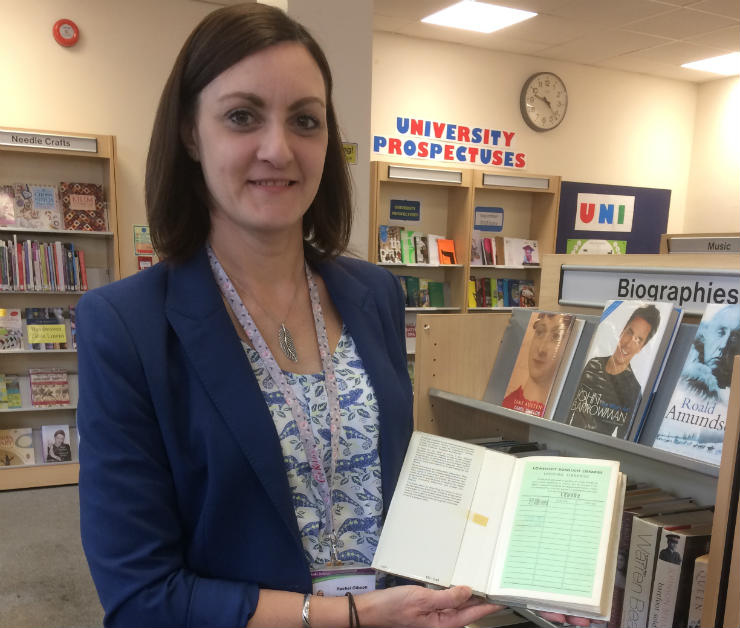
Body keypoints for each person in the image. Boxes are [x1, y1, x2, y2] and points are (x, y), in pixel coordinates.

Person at [74, 5, 549, 628]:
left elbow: (393, 487)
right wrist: (349, 616)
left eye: (305, 120)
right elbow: (142, 596)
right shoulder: (124, 326)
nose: (278, 149)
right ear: (192, 132)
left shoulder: (373, 293)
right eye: (242, 116)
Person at [568, 304, 661, 438]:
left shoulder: (633, 391)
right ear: (622, 330)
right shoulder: (593, 364)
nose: (628, 343)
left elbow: (621, 443)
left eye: (638, 340)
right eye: (629, 332)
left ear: (642, 347)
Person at [502, 313, 574, 416]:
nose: (541, 349)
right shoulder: (508, 405)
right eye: (540, 332)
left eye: (556, 336)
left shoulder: (566, 413)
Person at [681, 304, 740, 400]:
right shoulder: (683, 376)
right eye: (720, 332)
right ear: (706, 334)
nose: (723, 345)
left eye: (734, 339)